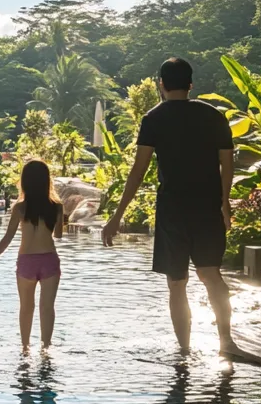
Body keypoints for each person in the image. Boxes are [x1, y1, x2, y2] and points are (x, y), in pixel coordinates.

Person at [101, 57, 236, 354]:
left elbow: (138, 171)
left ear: (161, 84)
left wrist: (117, 215)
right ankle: (226, 341)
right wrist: (225, 202)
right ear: (191, 84)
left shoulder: (153, 118)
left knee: (177, 282)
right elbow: (227, 163)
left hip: (172, 210)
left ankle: (184, 350)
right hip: (207, 207)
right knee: (211, 275)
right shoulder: (213, 115)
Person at [0, 160, 64, 350]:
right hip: (49, 259)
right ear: (47, 181)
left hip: (27, 261)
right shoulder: (57, 206)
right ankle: (46, 347)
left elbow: (8, 237)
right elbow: (58, 235)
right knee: (47, 307)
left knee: (26, 307)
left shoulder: (20, 207)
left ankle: (25, 348)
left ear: (25, 182)